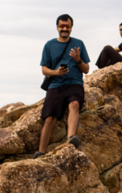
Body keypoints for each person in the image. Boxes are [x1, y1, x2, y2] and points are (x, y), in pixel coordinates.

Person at [34, 14, 90, 159]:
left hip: (74, 83)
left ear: (71, 27)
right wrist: (56, 72)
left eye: (67, 26)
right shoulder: (49, 45)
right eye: (62, 26)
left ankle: (71, 138)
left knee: (74, 104)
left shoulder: (79, 43)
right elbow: (44, 69)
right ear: (57, 27)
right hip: (55, 84)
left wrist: (78, 60)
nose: (65, 28)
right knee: (49, 118)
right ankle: (41, 152)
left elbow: (86, 69)